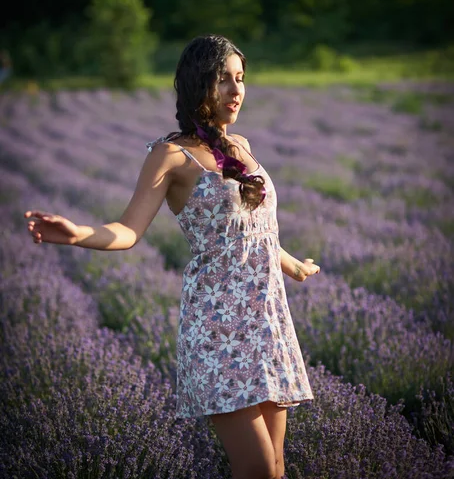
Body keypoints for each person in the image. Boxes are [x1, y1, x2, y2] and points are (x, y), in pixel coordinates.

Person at [25, 34, 320, 479]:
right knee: (257, 467)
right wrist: (77, 233)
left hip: (267, 320)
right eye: (223, 79)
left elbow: (253, 232)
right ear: (197, 84)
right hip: (219, 330)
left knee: (277, 467)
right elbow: (128, 230)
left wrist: (294, 265)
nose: (235, 90)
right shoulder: (171, 155)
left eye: (240, 79)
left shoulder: (241, 146)